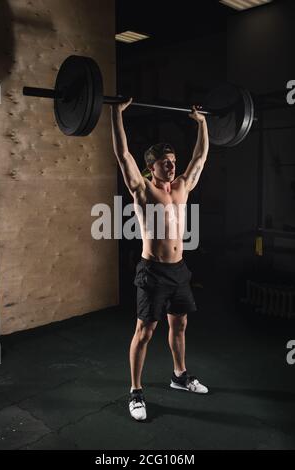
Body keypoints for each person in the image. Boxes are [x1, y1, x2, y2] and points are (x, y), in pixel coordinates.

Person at [111, 98, 209, 421]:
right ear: (150, 167)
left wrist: (202, 123)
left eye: (172, 161)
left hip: (179, 272)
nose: (171, 166)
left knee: (179, 325)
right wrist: (116, 113)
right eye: (164, 163)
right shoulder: (142, 190)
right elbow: (123, 156)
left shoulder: (181, 187)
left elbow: (200, 157)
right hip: (152, 272)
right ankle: (135, 392)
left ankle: (179, 376)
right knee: (145, 331)